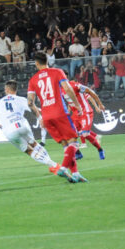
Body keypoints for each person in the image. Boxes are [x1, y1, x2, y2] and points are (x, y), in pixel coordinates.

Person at [0, 80, 73, 181]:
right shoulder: (21, 99)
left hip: (9, 131)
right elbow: (33, 106)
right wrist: (40, 117)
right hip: (23, 126)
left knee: (29, 150)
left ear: (7, 89)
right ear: (15, 89)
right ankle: (53, 165)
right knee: (35, 144)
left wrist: (1, 126)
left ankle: (53, 165)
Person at [27, 51, 88, 183]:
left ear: (36, 63)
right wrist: (77, 105)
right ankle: (64, 168)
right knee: (74, 142)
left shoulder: (33, 80)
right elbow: (68, 89)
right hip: (60, 112)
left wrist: (40, 117)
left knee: (66, 146)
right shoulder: (57, 72)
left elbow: (30, 102)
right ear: (47, 61)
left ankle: (76, 173)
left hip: (47, 116)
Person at [69, 80, 106, 160]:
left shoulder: (76, 86)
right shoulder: (60, 89)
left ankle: (100, 149)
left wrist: (99, 105)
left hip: (85, 112)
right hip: (75, 114)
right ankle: (78, 153)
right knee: (71, 135)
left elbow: (90, 94)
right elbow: (69, 102)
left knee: (84, 134)